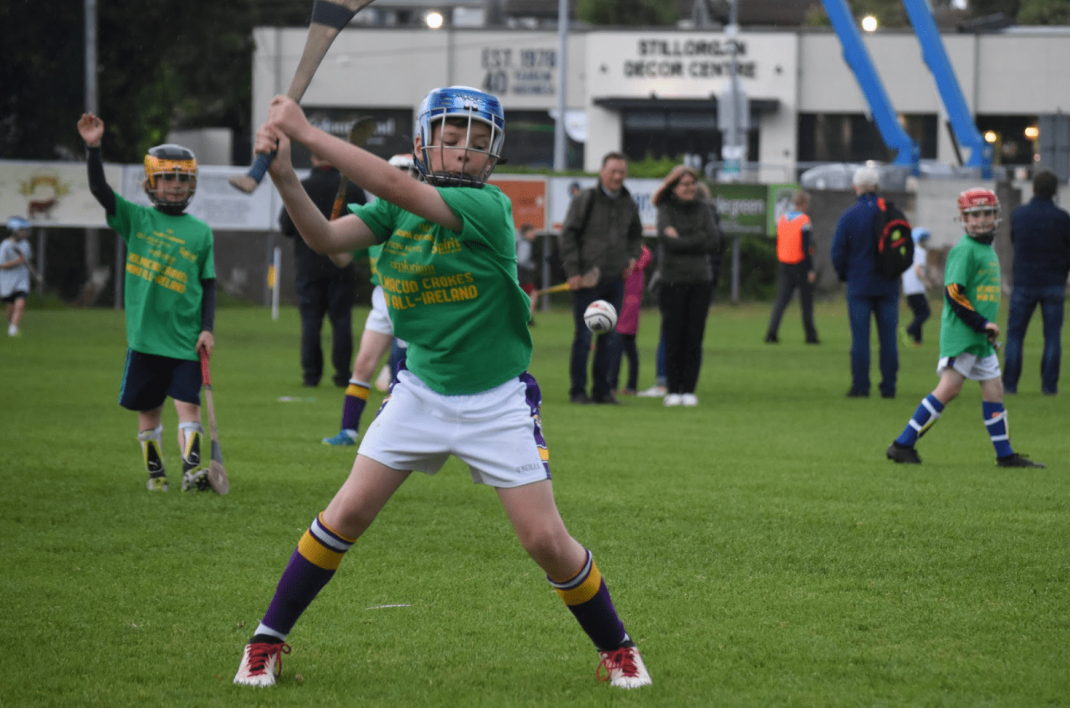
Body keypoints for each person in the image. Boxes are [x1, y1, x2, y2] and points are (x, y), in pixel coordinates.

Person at [234, 86, 650, 690]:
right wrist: (285, 177)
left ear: (493, 158)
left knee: (545, 540)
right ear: (422, 144)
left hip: (497, 400)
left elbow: (401, 187)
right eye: (450, 140)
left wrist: (308, 134)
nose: (462, 154)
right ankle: (265, 641)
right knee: (345, 512)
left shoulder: (490, 209)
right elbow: (324, 241)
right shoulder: (392, 213)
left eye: (478, 145)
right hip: (420, 392)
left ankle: (619, 648)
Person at [77, 114, 217, 492]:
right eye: (167, 178)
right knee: (149, 410)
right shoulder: (136, 219)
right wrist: (94, 148)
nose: (175, 186)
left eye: (182, 179)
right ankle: (157, 476)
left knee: (189, 406)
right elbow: (99, 191)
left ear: (192, 184)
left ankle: (191, 473)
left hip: (186, 338)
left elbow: (209, 284)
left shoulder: (201, 232)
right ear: (151, 183)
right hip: (146, 338)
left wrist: (207, 328)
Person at [886, 188, 1044, 469]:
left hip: (980, 337)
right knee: (948, 389)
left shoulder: (986, 249)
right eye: (974, 215)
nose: (981, 220)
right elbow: (954, 293)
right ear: (963, 219)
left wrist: (985, 329)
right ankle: (902, 443)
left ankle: (1005, 455)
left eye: (987, 214)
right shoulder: (965, 249)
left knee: (994, 390)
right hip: (963, 334)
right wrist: (981, 323)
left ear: (996, 216)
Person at [323, 155, 416, 446]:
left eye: (411, 171)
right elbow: (343, 258)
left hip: (415, 301)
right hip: (383, 297)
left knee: (406, 373)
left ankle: (400, 433)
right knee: (363, 364)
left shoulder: (424, 217)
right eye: (399, 171)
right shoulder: (378, 217)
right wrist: (328, 239)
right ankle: (348, 431)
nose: (405, 176)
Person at [559, 152, 642, 405]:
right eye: (613, 171)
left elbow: (636, 235)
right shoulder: (586, 198)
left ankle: (603, 391)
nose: (617, 176)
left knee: (610, 337)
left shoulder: (628, 202)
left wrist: (631, 256)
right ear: (602, 172)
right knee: (584, 338)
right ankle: (577, 391)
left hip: (615, 280)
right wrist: (573, 272)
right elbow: (568, 235)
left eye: (621, 172)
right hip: (587, 281)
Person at [279, 153, 367, 388]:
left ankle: (311, 375)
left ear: (313, 159)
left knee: (310, 322)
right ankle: (342, 375)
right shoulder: (352, 189)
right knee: (341, 321)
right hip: (343, 266)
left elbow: (286, 226)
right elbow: (369, 225)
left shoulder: (303, 188)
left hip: (308, 266)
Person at [653, 165, 721, 408]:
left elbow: (713, 240)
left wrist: (681, 239)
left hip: (700, 281)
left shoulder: (704, 208)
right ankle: (673, 389)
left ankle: (689, 389)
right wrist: (695, 240)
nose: (690, 188)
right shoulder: (665, 208)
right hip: (672, 281)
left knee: (694, 336)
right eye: (684, 184)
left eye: (692, 184)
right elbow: (666, 241)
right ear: (674, 187)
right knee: (673, 336)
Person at [1003, 170, 1070, 396]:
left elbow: (1014, 240)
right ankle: (1049, 386)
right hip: (1053, 282)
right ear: (1055, 191)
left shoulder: (1019, 214)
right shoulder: (1062, 217)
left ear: (1032, 188)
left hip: (1024, 281)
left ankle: (1010, 385)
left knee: (1015, 335)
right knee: (1052, 336)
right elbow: (1068, 247)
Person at [830, 166, 900, 399]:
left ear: (856, 187)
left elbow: (837, 251)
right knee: (888, 339)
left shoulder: (849, 216)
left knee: (860, 338)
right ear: (877, 187)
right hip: (888, 284)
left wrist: (845, 274)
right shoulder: (892, 212)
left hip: (859, 283)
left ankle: (861, 386)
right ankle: (888, 387)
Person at [764, 190, 820, 345]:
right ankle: (810, 336)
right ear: (804, 204)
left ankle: (771, 333)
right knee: (806, 302)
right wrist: (810, 269)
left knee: (781, 300)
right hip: (800, 264)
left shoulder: (782, 219)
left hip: (784, 264)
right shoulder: (804, 221)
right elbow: (805, 247)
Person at [610, 244, 652, 396]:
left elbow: (645, 253)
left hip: (626, 305)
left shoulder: (633, 253)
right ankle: (631, 385)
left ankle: (613, 384)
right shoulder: (635, 254)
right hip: (628, 305)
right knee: (629, 348)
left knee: (617, 347)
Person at [1, 216, 34, 337]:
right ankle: (12, 324)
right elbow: (1, 265)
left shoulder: (26, 244)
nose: (25, 233)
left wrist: (34, 273)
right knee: (10, 311)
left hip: (22, 279)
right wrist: (16, 262)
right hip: (8, 281)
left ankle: (13, 329)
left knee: (20, 304)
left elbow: (27, 261)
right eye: (22, 230)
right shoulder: (5, 246)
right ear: (14, 231)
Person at [900, 228, 933, 348]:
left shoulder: (907, 251)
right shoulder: (919, 251)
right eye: (924, 239)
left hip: (908, 289)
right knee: (925, 313)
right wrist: (926, 282)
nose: (925, 242)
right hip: (917, 288)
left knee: (917, 314)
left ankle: (917, 341)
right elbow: (918, 269)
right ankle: (908, 330)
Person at [516, 223, 538, 324]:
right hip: (522, 274)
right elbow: (521, 260)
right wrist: (532, 266)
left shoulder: (517, 240)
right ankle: (528, 317)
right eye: (532, 232)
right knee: (533, 294)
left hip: (515, 273)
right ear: (526, 232)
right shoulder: (525, 244)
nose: (534, 234)